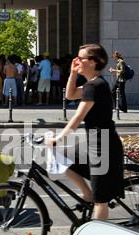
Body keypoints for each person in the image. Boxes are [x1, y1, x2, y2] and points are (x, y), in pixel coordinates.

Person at [45, 44, 124, 221]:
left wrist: (58, 138)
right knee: (63, 157)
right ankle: (86, 193)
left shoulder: (96, 85)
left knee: (100, 201)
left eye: (81, 59)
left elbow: (78, 117)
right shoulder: (92, 84)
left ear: (94, 62)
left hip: (103, 146)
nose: (77, 61)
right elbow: (70, 95)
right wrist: (73, 73)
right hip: (94, 141)